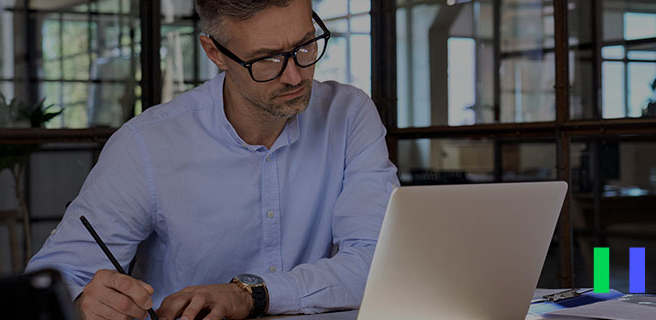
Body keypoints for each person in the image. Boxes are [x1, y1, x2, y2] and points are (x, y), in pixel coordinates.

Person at [25, 0, 398, 319]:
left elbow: (379, 261)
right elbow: (53, 278)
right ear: (214, 52)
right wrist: (82, 301)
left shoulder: (348, 115)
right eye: (266, 59)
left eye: (304, 45)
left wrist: (249, 295)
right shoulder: (147, 144)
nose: (295, 75)